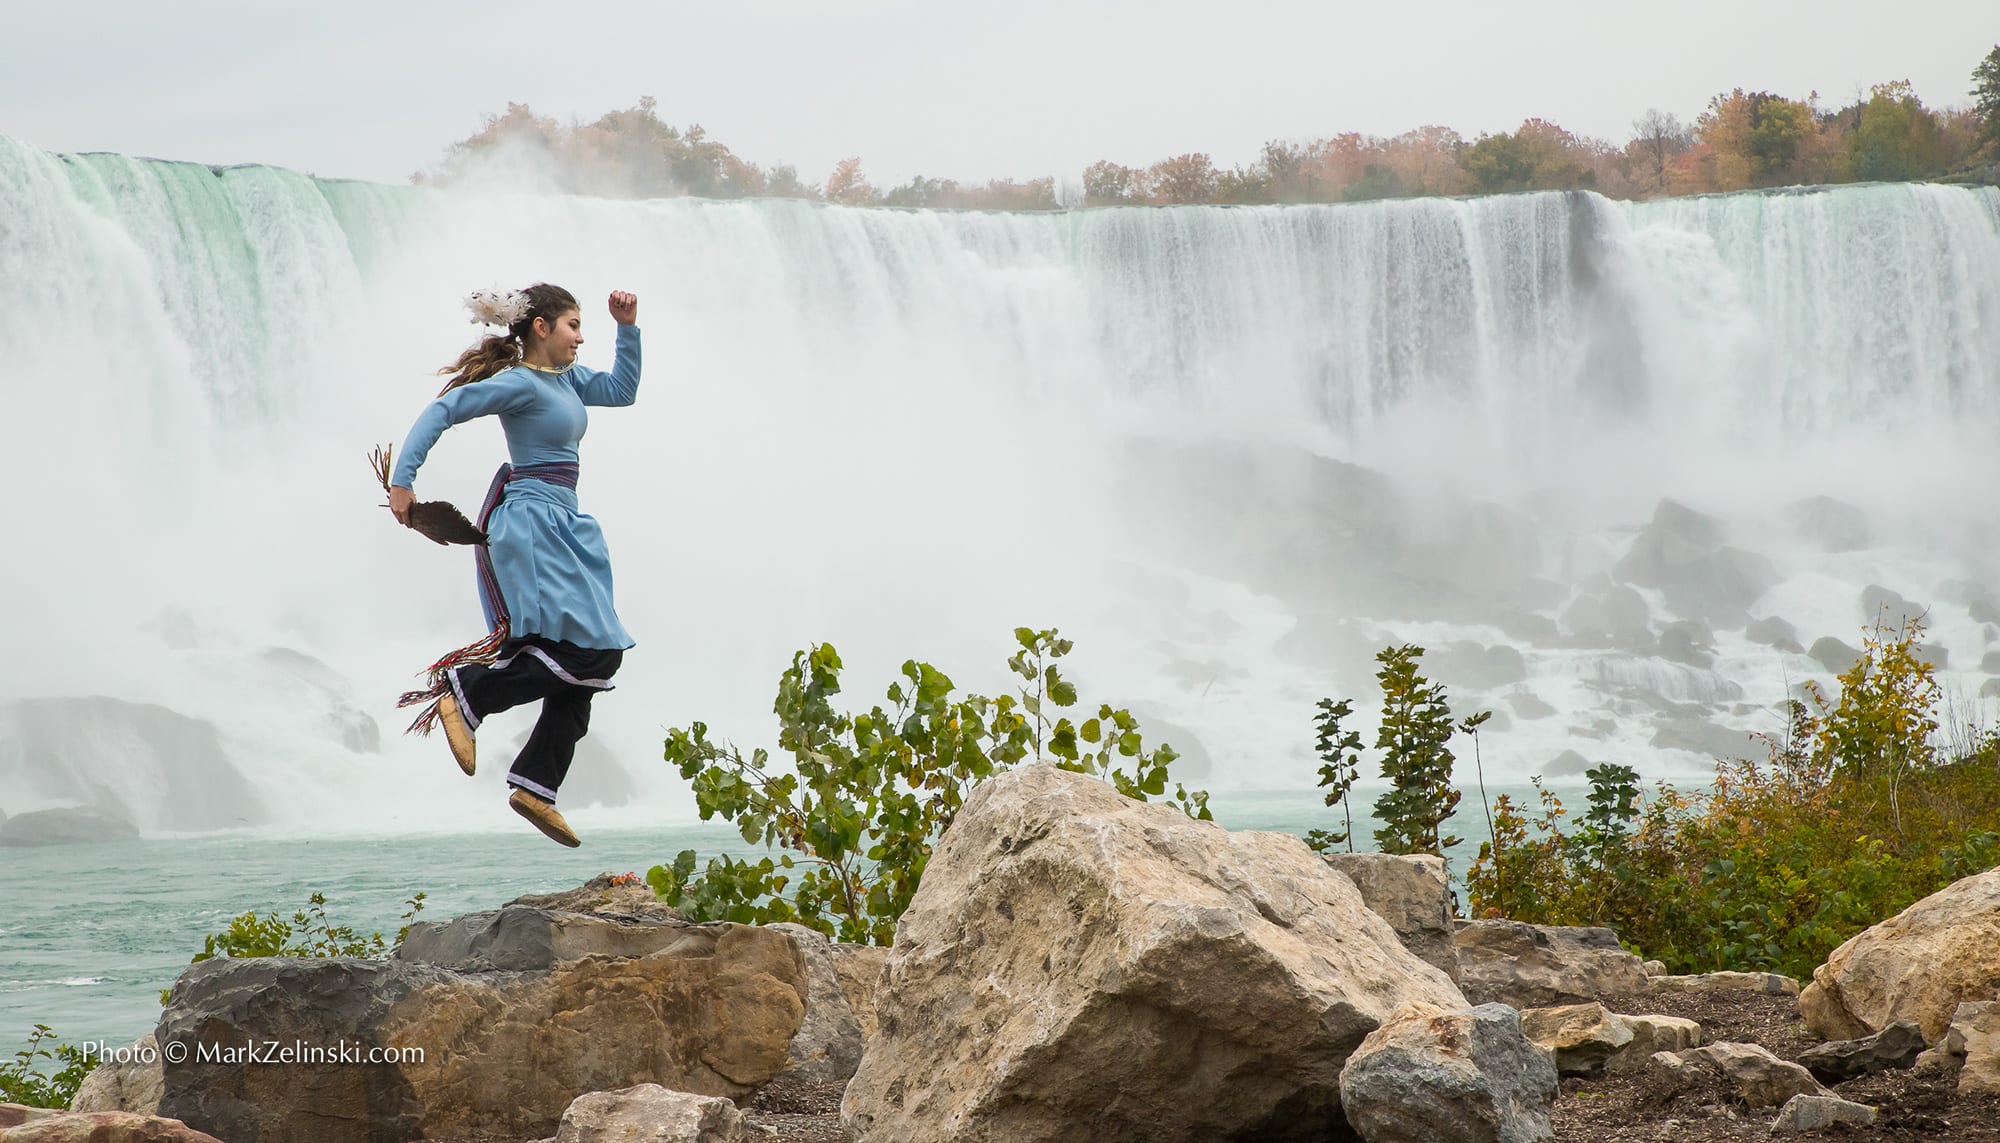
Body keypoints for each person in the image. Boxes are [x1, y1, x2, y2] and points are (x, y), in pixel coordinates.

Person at [388, 283, 641, 847]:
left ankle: (535, 784)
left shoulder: (567, 380)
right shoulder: (519, 383)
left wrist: (627, 327)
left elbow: (623, 390)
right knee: (580, 651)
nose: (581, 336)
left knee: (597, 658)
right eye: (574, 325)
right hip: (530, 524)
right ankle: (466, 692)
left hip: (564, 523)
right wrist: (403, 481)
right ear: (542, 328)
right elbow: (446, 409)